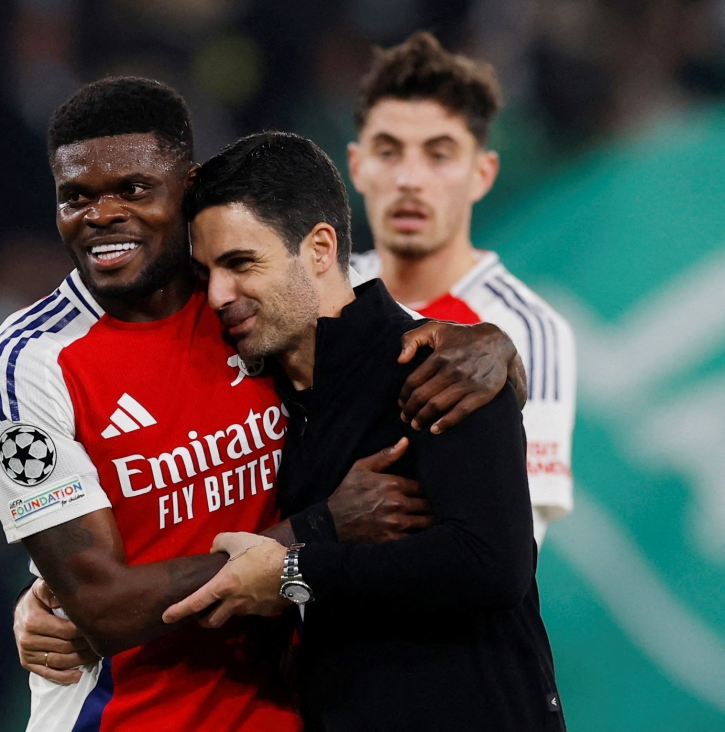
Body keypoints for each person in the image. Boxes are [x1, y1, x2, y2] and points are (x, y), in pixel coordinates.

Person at [0, 77, 524, 731]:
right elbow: (103, 608)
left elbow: (385, 330)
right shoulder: (27, 365)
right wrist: (318, 531)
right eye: (75, 198)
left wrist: (493, 346)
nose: (102, 215)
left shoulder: (250, 304)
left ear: (188, 185)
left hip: (291, 710)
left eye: (133, 190)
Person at [164, 131, 565, 731]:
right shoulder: (262, 401)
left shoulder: (442, 367)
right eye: (206, 273)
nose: (219, 294)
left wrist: (297, 575)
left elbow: (492, 562)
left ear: (320, 248)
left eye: (241, 263)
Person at [346, 32, 576, 544]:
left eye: (439, 154)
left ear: (482, 173)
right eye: (388, 151)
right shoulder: (325, 293)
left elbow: (514, 548)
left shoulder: (531, 330)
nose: (409, 178)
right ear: (358, 166)